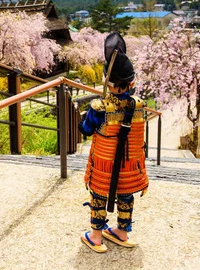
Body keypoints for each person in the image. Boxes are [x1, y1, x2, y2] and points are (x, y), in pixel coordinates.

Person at [78, 32, 149, 253]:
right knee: (125, 195)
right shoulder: (139, 105)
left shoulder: (99, 108)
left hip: (104, 165)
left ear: (105, 82)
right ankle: (122, 232)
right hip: (130, 165)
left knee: (99, 196)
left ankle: (96, 237)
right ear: (132, 82)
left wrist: (83, 118)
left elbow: (86, 130)